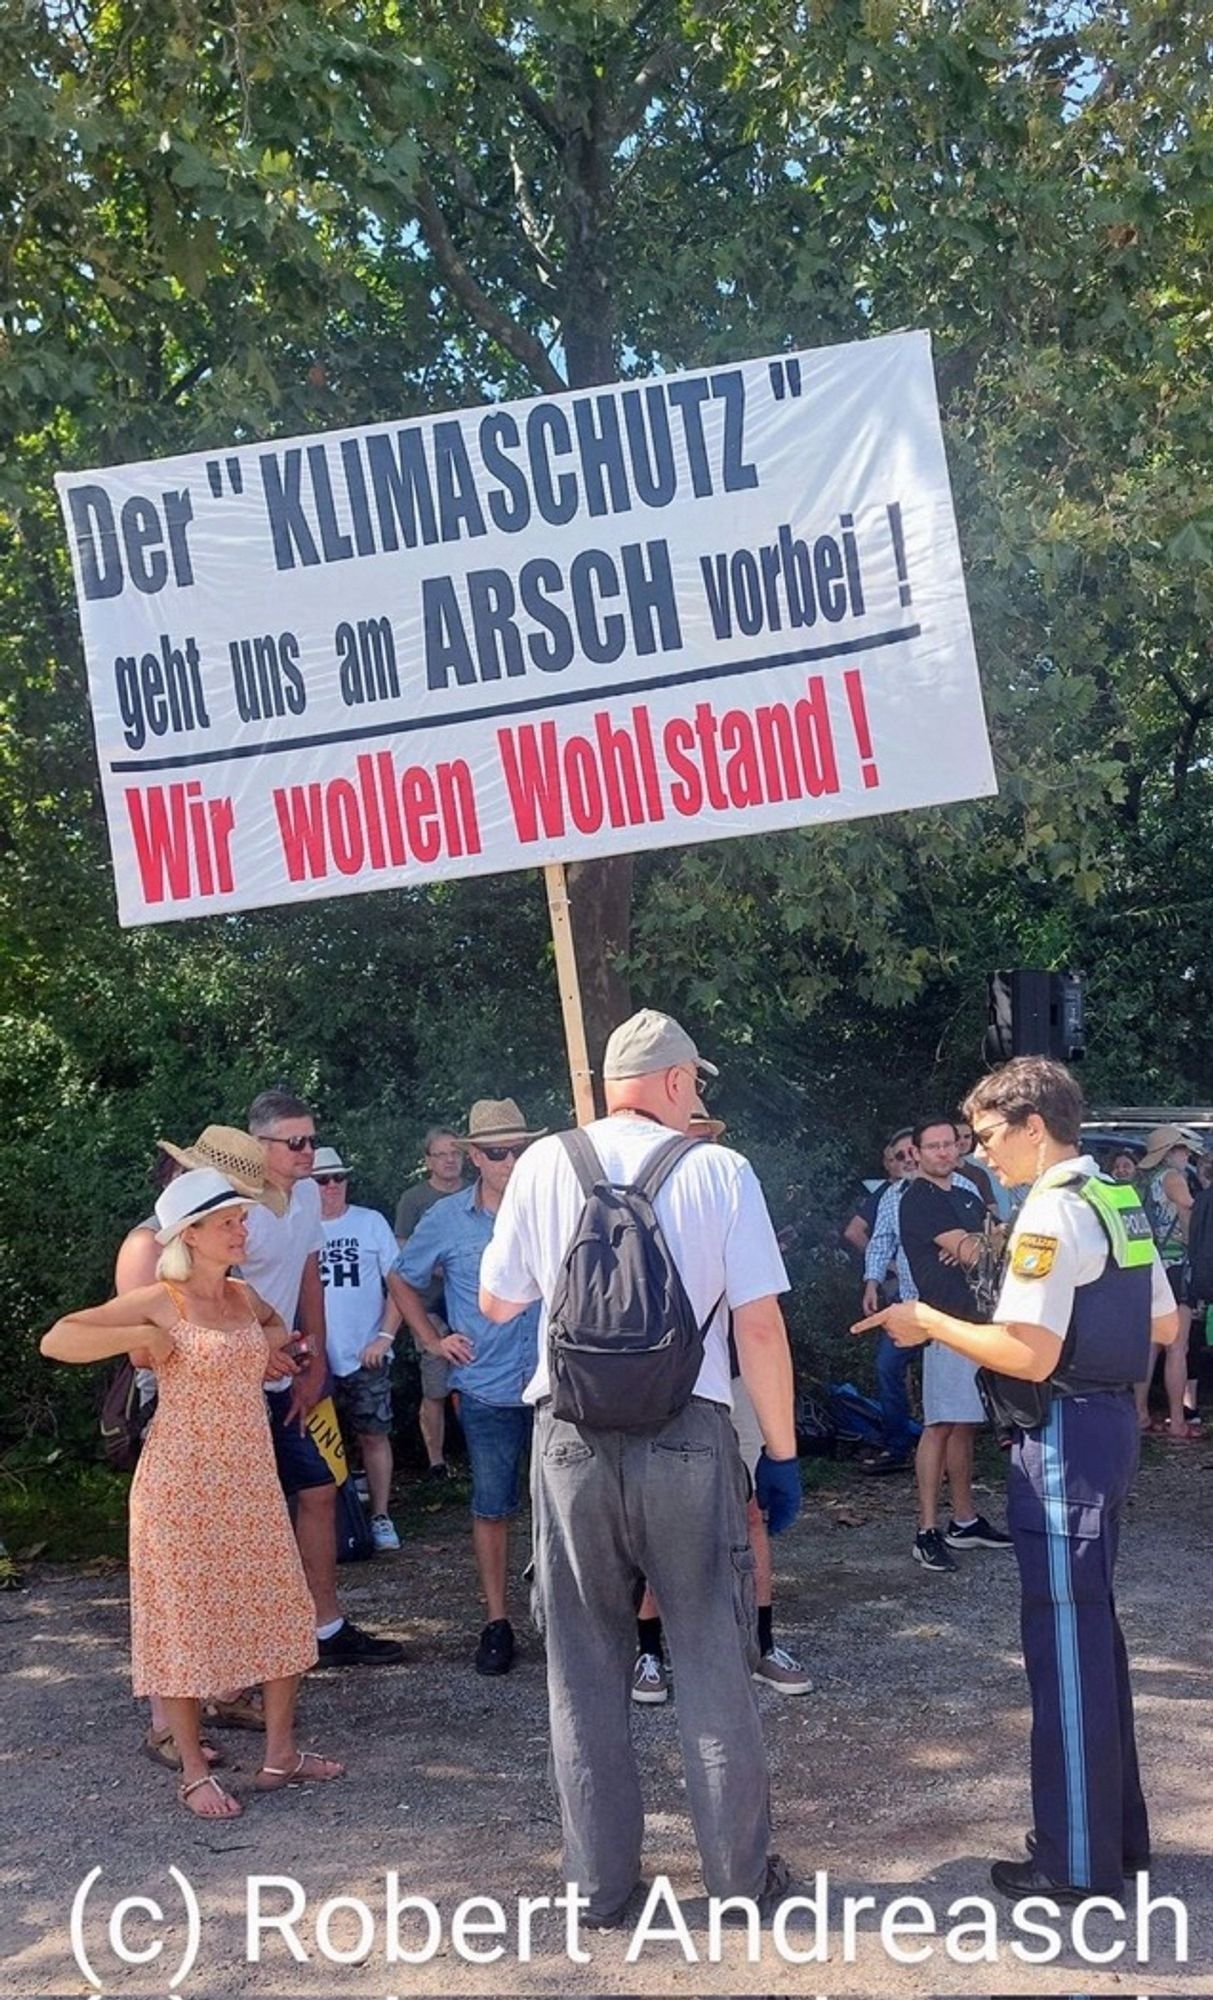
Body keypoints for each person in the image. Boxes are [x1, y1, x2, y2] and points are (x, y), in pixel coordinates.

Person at [479, 1008, 800, 1926]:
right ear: (668, 1081)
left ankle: (598, 1887)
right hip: (689, 1434)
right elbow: (760, 1326)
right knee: (706, 1654)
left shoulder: (543, 1162)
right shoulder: (719, 1169)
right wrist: (776, 1453)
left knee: (582, 1667)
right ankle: (738, 1881)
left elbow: (500, 1303)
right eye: (694, 1081)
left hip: (569, 1436)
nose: (697, 1096)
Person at [854, 1057, 1178, 1901]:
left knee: (1063, 1642)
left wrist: (928, 1320)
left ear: (1034, 1126)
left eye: (990, 1136)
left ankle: (1074, 1861)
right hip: (1106, 1423)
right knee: (1093, 1634)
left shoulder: (1047, 1213)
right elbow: (1165, 1319)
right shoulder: (1117, 1197)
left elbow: (1026, 1352)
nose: (980, 1153)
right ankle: (1118, 1837)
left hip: (1063, 1431)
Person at [42, 1170, 343, 1817]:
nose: (244, 1229)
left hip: (248, 1479)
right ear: (192, 1234)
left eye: (241, 1218)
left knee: (283, 1607)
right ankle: (191, 1771)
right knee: (182, 1620)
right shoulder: (162, 1299)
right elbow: (58, 1337)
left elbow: (275, 1328)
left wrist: (266, 1346)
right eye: (229, 1222)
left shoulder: (240, 1295)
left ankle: (280, 1754)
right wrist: (140, 1339)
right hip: (179, 1484)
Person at [633, 1099, 811, 1704]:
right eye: (690, 1130)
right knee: (661, 1526)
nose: (697, 1141)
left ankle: (762, 1644)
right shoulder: (643, 1202)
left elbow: (762, 1318)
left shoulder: (732, 1191)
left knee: (753, 1512)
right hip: (667, 1390)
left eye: (705, 1132)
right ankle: (649, 1653)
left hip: (733, 1382)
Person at [116, 1126, 277, 1768]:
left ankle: (222, 1688)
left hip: (230, 1406)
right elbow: (138, 1340)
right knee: (177, 1571)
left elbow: (251, 1316)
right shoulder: (144, 1242)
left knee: (229, 1557)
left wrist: (263, 1349)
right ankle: (167, 1721)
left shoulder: (224, 1249)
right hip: (175, 1408)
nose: (238, 1213)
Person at [243, 1089, 403, 1666]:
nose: (309, 1152)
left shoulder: (307, 1196)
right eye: (296, 1143)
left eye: (311, 1139)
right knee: (249, 1513)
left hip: (291, 1372)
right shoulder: (237, 1205)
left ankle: (326, 1627)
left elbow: (310, 1273)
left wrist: (312, 1357)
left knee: (318, 1490)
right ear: (259, 1145)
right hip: (235, 1381)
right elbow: (216, 1288)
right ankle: (254, 1647)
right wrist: (256, 1348)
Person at [389, 1099, 544, 1675]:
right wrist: (432, 1339)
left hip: (557, 1385)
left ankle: (576, 1624)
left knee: (573, 1510)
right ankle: (497, 1622)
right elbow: (402, 1279)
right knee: (492, 1506)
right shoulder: (447, 1219)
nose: (512, 1161)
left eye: (520, 1149)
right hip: (487, 1385)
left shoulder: (552, 1206)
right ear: (476, 1156)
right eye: (500, 1151)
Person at [896, 1117, 1011, 1571]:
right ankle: (926, 1531)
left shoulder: (965, 1191)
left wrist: (983, 1240)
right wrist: (980, 1243)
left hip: (979, 1322)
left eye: (950, 1144)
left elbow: (999, 1240)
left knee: (966, 1424)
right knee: (940, 1424)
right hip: (942, 1323)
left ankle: (963, 1521)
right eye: (934, 1147)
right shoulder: (918, 1201)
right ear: (916, 1154)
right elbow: (975, 1252)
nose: (944, 1153)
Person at [314, 1146, 403, 1551]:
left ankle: (381, 1514)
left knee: (373, 1434)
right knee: (319, 1445)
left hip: (364, 1352)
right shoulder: (297, 1228)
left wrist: (384, 1337)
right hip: (314, 1358)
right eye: (322, 1180)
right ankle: (331, 1524)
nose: (332, 1186)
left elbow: (400, 1285)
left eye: (339, 1178)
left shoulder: (370, 1223)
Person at [395, 1128, 465, 1478]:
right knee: (436, 1384)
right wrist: (442, 1263)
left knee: (472, 1379)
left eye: (455, 1152)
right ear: (428, 1161)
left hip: (470, 1302)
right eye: (441, 1154)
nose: (450, 1159)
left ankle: (478, 1452)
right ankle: (436, 1461)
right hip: (429, 1305)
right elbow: (403, 1252)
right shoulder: (414, 1199)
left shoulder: (476, 1193)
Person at [1135, 1124, 1198, 1443]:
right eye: (1182, 1149)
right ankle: (1177, 1419)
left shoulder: (1145, 1180)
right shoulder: (1174, 1178)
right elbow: (1191, 1212)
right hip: (1176, 1266)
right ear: (1170, 1151)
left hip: (1152, 1265)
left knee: (1151, 1344)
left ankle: (1140, 1412)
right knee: (1177, 1346)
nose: (1187, 1154)